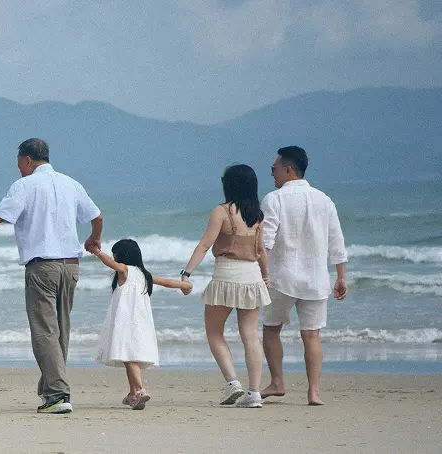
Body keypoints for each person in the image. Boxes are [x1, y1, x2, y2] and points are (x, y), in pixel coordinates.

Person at [0, 138, 102, 414]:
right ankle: (52, 389)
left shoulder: (24, 185)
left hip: (42, 266)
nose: (19, 169)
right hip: (71, 265)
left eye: (19, 164)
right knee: (60, 329)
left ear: (26, 160)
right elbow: (97, 216)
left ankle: (58, 394)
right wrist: (94, 239)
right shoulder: (71, 184)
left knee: (44, 332)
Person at [261, 146, 349, 406]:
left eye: (274, 169)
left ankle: (277, 382)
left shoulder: (274, 199)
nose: (272, 174)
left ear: (288, 169)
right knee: (312, 335)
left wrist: (262, 273)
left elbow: (265, 241)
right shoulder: (324, 199)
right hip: (316, 278)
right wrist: (341, 276)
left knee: (271, 329)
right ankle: (314, 392)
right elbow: (337, 240)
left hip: (282, 277)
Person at [180, 164, 273, 408]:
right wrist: (266, 276)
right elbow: (261, 250)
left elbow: (203, 245)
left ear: (228, 185)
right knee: (250, 335)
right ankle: (254, 393)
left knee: (214, 332)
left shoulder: (221, 212)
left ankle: (232, 382)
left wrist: (186, 273)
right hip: (252, 277)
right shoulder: (257, 215)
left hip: (226, 276)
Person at [88, 239, 193, 410]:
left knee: (128, 357)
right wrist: (185, 285)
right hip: (141, 321)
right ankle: (133, 394)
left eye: (116, 254)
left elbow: (110, 264)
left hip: (125, 320)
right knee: (130, 356)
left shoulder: (125, 270)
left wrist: (97, 252)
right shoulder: (145, 275)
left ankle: (140, 390)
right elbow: (167, 282)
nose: (114, 258)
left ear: (123, 256)